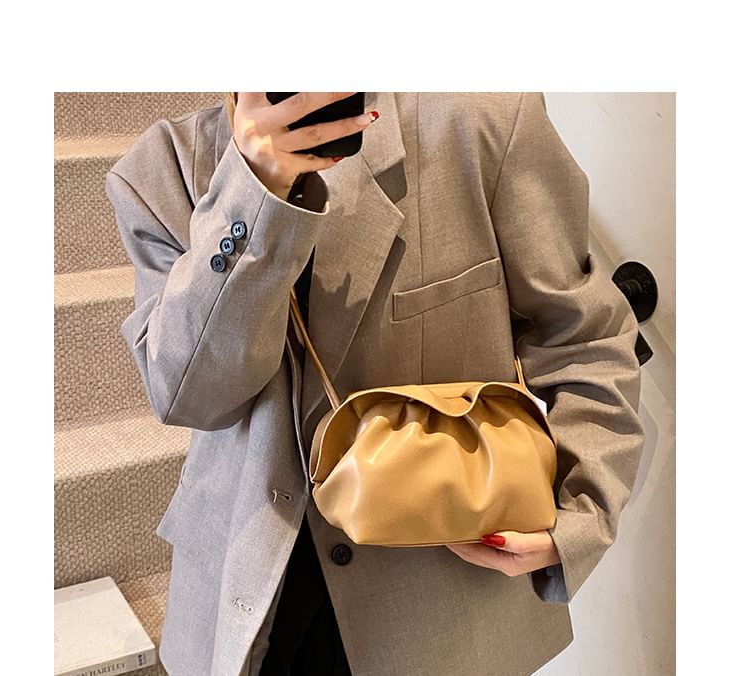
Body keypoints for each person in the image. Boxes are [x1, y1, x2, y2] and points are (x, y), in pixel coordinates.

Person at [106, 92, 646, 676]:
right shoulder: (164, 171)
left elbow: (584, 336)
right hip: (246, 590)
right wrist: (252, 190)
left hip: (439, 598)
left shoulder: (481, 122)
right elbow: (192, 396)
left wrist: (580, 509)